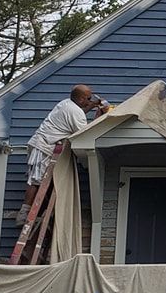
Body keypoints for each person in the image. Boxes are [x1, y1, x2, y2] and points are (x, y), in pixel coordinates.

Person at [16, 84, 111, 226]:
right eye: (88, 98)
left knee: (42, 180)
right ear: (80, 99)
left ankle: (41, 213)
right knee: (36, 180)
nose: (91, 99)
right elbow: (84, 134)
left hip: (42, 144)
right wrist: (99, 115)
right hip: (43, 146)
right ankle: (24, 214)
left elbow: (79, 112)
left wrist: (91, 106)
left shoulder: (65, 104)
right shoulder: (75, 112)